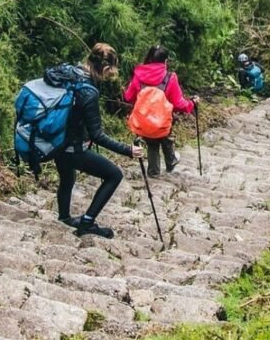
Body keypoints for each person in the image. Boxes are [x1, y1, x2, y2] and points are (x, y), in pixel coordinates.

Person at [52, 42, 142, 239]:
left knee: (68, 178)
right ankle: (87, 223)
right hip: (73, 148)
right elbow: (97, 135)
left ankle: (64, 218)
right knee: (114, 175)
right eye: (111, 71)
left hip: (56, 142)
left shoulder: (72, 73)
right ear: (107, 68)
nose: (111, 76)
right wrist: (128, 150)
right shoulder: (89, 92)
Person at [124, 45, 199, 177]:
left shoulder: (138, 76)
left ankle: (154, 171)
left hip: (143, 122)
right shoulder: (170, 78)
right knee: (165, 134)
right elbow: (179, 104)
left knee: (152, 143)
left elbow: (128, 97)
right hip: (162, 123)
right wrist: (191, 104)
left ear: (149, 58)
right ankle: (170, 161)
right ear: (165, 61)